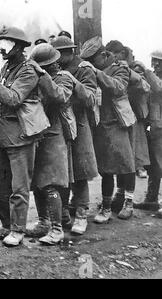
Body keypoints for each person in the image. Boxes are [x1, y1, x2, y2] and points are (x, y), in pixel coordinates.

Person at [0, 26, 41, 247]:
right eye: (1, 46)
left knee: (19, 187)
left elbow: (14, 98)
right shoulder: (6, 68)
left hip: (21, 136)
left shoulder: (28, 70)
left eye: (6, 46)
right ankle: (6, 225)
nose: (2, 51)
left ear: (19, 47)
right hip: (4, 137)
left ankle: (17, 230)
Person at [80, 36, 136, 224]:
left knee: (126, 164)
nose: (90, 64)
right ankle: (106, 207)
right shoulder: (94, 69)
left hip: (119, 123)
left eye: (92, 59)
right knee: (106, 169)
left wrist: (96, 72)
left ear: (103, 55)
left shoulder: (120, 67)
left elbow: (118, 88)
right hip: (100, 125)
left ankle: (129, 202)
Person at [49, 36, 99, 235]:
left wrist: (73, 81)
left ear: (70, 52)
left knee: (80, 172)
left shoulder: (84, 69)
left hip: (79, 124)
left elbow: (91, 98)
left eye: (59, 54)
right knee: (63, 173)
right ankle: (64, 214)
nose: (56, 59)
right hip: (60, 126)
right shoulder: (53, 70)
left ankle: (81, 214)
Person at [28, 43, 76, 245]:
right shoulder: (38, 78)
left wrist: (42, 76)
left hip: (55, 136)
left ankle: (57, 229)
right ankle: (44, 222)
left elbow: (60, 96)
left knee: (51, 183)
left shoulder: (63, 77)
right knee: (38, 184)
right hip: (38, 135)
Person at [103, 40, 150, 216]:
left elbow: (145, 87)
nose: (112, 59)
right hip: (118, 120)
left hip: (132, 121)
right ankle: (120, 194)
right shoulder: (113, 70)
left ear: (122, 54)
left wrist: (129, 72)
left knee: (129, 162)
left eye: (113, 55)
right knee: (119, 160)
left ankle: (128, 202)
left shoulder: (132, 70)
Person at [133, 51, 162, 213]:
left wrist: (146, 70)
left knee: (161, 163)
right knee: (153, 166)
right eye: (154, 61)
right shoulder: (152, 77)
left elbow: (158, 88)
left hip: (159, 127)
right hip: (152, 126)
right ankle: (151, 199)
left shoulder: (154, 78)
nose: (156, 64)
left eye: (159, 62)